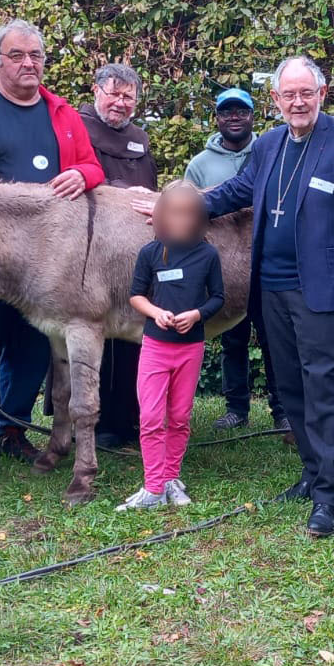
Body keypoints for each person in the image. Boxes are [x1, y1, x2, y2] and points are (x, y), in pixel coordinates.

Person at [195, 56, 334, 538]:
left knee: (322, 386)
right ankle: (311, 472)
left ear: (322, 93)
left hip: (321, 290)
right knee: (291, 385)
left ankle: (329, 494)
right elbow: (236, 191)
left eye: (306, 92)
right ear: (275, 101)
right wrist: (180, 204)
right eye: (288, 94)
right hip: (269, 287)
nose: (297, 102)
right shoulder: (269, 144)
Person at [0, 19, 105, 484]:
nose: (28, 64)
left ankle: (11, 427)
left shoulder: (62, 113)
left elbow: (91, 165)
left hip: (45, 263)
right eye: (17, 55)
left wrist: (84, 176)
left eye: (36, 56)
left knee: (32, 350)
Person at [116, 182, 227, 511]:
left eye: (187, 214)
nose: (180, 221)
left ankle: (170, 478)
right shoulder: (150, 253)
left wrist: (196, 314)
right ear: (161, 215)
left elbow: (218, 297)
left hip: (190, 348)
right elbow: (136, 296)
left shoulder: (208, 254)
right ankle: (152, 487)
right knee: (151, 417)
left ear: (199, 218)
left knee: (179, 417)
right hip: (155, 347)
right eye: (174, 213)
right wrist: (156, 313)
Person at [184, 87, 286, 436]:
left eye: (241, 111)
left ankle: (282, 410)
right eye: (226, 112)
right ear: (217, 118)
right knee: (232, 339)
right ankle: (236, 408)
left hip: (266, 260)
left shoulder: (272, 152)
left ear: (252, 116)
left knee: (275, 339)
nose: (234, 117)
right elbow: (188, 213)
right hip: (224, 268)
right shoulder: (200, 165)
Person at [80, 63, 158, 449]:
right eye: (113, 93)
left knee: (131, 335)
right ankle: (97, 422)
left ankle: (127, 418)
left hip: (132, 251)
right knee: (94, 333)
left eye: (128, 96)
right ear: (95, 91)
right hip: (89, 252)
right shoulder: (76, 128)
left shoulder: (139, 138)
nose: (120, 103)